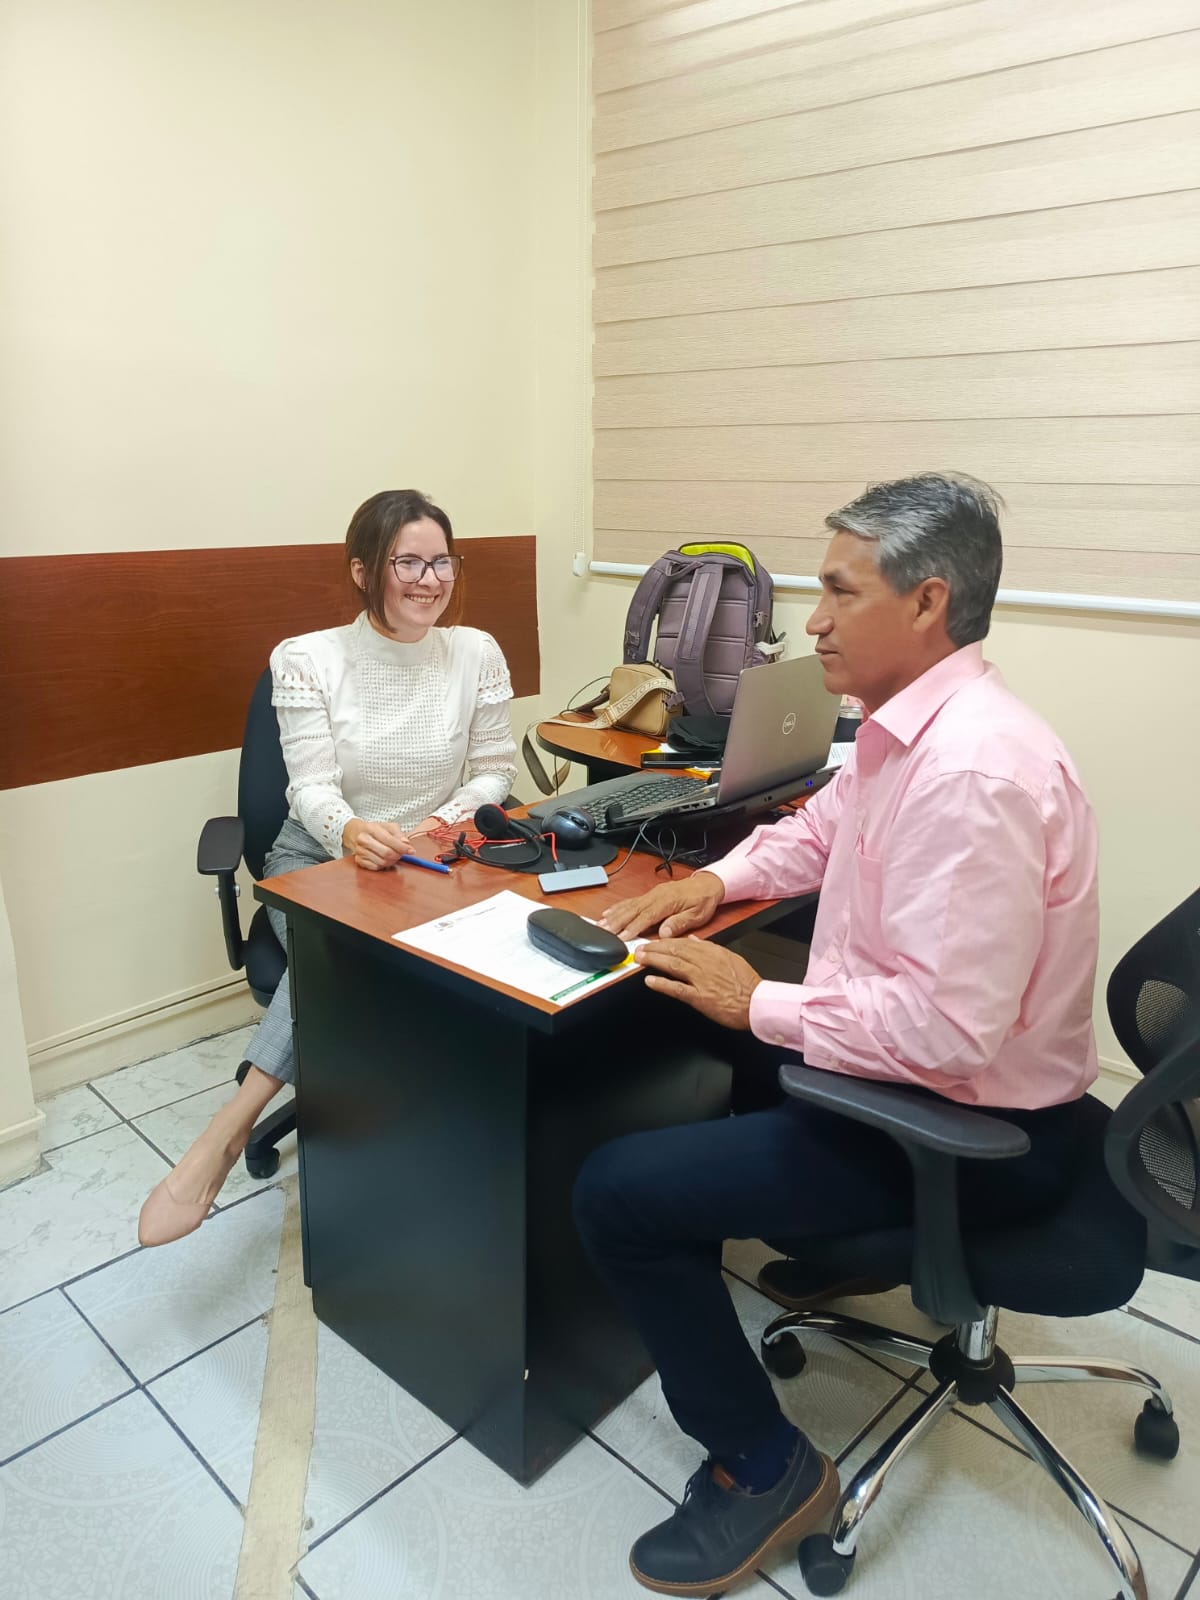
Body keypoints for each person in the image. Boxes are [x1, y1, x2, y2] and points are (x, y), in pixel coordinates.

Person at [572, 473, 1100, 1597]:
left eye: (839, 591)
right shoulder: (908, 729)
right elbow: (817, 833)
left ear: (927, 600)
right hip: (943, 1082)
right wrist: (711, 882)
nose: (810, 621)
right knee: (720, 1018)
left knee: (616, 1191)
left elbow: (945, 1034)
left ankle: (765, 1470)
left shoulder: (974, 773)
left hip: (970, 1129)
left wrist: (753, 998)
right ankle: (839, 1240)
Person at [139, 489, 518, 1247]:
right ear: (363, 570)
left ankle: (462, 1130)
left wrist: (436, 825)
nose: (429, 580)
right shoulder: (307, 658)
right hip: (318, 858)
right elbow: (309, 787)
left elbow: (494, 770)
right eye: (406, 562)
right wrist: (350, 833)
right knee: (342, 952)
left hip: (433, 860)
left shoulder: (476, 652)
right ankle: (229, 1129)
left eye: (441, 561)